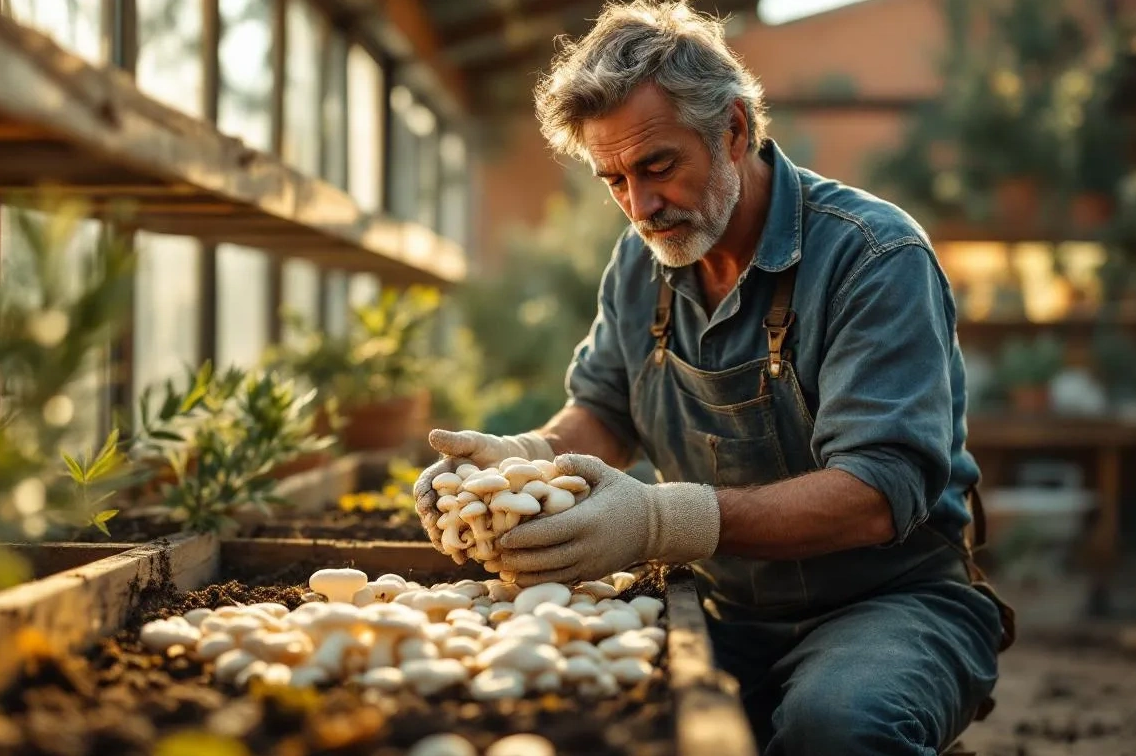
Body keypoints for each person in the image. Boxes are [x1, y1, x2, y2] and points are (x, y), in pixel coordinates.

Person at [413, 2, 1015, 754]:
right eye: (614, 180)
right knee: (596, 710)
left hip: (890, 602)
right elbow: (603, 411)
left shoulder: (873, 257)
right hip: (722, 605)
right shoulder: (642, 261)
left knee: (837, 727)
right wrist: (519, 461)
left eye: (658, 167)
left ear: (733, 129)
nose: (640, 206)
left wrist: (659, 522)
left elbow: (876, 494)